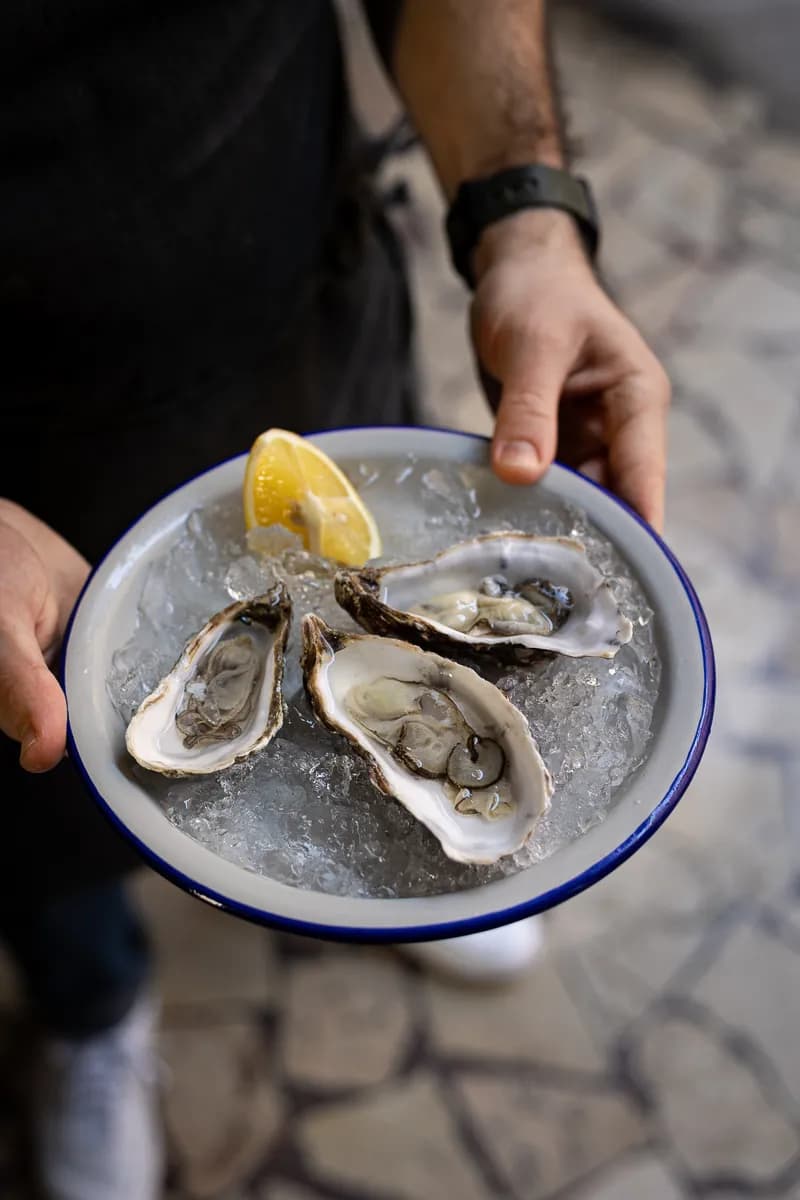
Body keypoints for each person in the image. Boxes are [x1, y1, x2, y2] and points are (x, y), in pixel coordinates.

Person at [0, 2, 669, 1196]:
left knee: (366, 578)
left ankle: (436, 871)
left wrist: (523, 211)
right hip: (18, 465)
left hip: (294, 315)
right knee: (34, 792)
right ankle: (92, 1010)